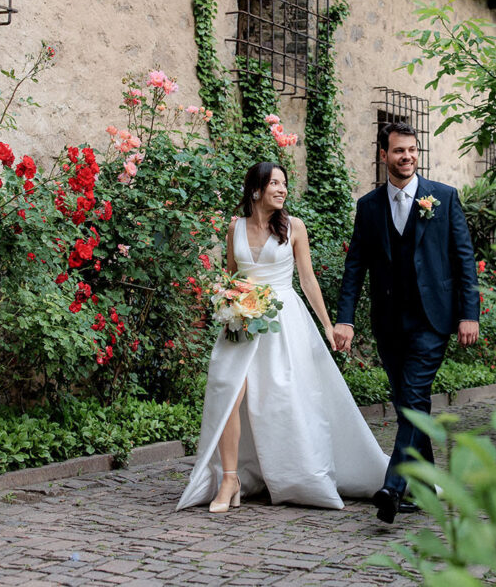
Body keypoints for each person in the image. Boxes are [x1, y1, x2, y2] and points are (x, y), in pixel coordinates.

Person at [176, 162, 388, 513]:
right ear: (256, 189)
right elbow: (233, 276)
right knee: (229, 390)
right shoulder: (235, 228)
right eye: (275, 183)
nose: (282, 189)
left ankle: (295, 474)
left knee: (283, 395)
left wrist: (326, 324)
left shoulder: (294, 227)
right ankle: (230, 479)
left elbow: (307, 280)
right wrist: (227, 303)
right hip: (241, 322)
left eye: (285, 184)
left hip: (283, 319)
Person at [333, 122, 480, 524]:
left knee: (414, 396)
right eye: (399, 151)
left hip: (432, 319)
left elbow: (464, 261)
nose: (408, 157)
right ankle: (423, 486)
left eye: (413, 150)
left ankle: (393, 488)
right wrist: (344, 319)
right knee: (408, 404)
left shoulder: (444, 198)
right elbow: (355, 268)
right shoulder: (369, 206)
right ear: (384, 156)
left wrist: (470, 313)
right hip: (388, 322)